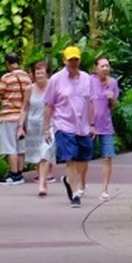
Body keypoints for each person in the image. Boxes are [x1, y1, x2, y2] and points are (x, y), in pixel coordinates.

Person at [41, 44, 98, 207]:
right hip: (63, 125)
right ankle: (75, 195)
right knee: (70, 159)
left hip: (83, 127)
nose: (73, 63)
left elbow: (91, 102)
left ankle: (68, 179)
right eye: (70, 60)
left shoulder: (87, 78)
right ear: (64, 61)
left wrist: (92, 124)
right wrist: (46, 128)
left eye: (76, 60)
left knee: (83, 159)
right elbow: (49, 105)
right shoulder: (56, 80)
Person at [0, 53, 33, 184]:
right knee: (21, 147)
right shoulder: (27, 77)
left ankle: (14, 174)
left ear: (7, 63)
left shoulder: (6, 78)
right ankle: (20, 172)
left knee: (10, 146)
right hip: (24, 116)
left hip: (8, 116)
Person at [90, 56, 122, 200]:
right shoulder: (90, 81)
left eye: (107, 66)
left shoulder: (113, 83)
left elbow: (114, 107)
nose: (105, 68)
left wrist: (112, 98)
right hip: (89, 126)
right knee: (83, 157)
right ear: (96, 68)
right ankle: (81, 185)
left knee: (107, 157)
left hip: (106, 125)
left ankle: (105, 189)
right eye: (102, 66)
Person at [21, 60, 54, 196]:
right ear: (33, 74)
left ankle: (41, 184)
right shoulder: (29, 89)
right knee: (38, 156)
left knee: (45, 153)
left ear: (47, 74)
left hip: (50, 124)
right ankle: (42, 180)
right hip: (33, 125)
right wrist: (20, 126)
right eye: (37, 72)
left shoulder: (53, 87)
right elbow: (24, 109)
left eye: (42, 72)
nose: (40, 75)